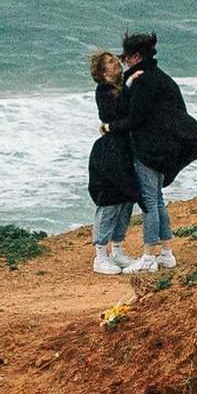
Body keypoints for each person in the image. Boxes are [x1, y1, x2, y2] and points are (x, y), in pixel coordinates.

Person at [113, 29, 197, 273]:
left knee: (149, 201)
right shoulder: (160, 77)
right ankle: (167, 254)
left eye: (126, 57)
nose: (124, 61)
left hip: (151, 150)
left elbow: (133, 119)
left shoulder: (143, 81)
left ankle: (149, 257)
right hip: (167, 148)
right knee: (157, 200)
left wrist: (109, 127)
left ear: (136, 56)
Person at [87, 50, 139, 275]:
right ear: (102, 71)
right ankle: (100, 256)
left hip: (126, 148)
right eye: (109, 61)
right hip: (109, 150)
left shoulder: (124, 85)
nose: (116, 62)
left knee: (126, 199)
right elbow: (117, 115)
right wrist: (128, 87)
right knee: (108, 201)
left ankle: (117, 251)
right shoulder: (103, 91)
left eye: (114, 58)